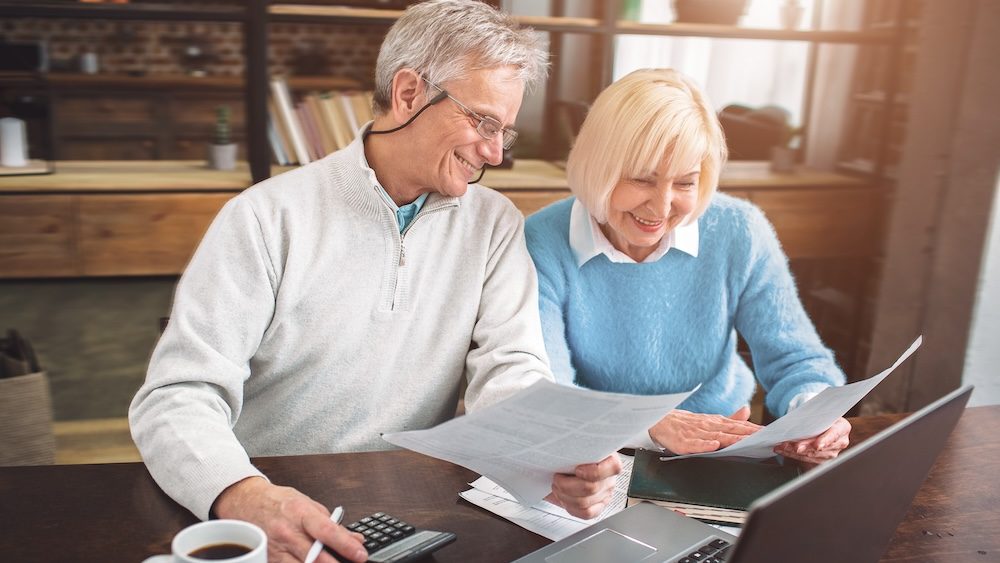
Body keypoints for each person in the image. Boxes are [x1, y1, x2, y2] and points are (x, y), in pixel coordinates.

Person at [129, 3, 620, 562]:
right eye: (483, 122)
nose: (493, 153)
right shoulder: (265, 217)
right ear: (408, 93)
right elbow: (176, 396)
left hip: (413, 509)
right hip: (272, 511)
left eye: (504, 133)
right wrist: (242, 494)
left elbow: (509, 369)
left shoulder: (494, 224)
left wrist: (551, 450)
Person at [525, 68, 851, 463]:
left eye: (685, 183)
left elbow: (797, 359)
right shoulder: (541, 241)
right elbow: (547, 394)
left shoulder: (739, 230)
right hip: (598, 454)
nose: (662, 207)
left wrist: (815, 413)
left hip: (724, 446)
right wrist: (650, 426)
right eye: (643, 179)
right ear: (598, 166)